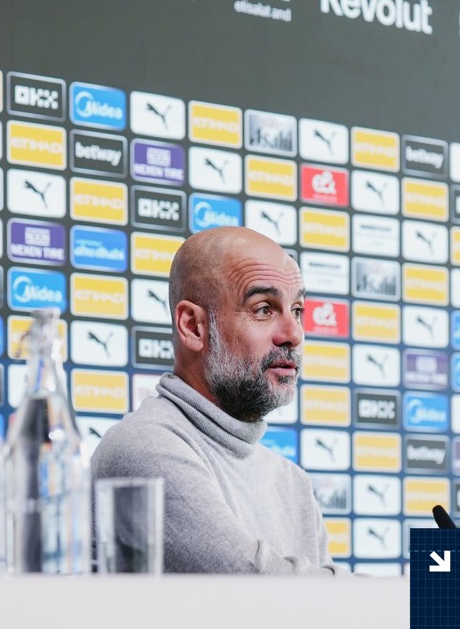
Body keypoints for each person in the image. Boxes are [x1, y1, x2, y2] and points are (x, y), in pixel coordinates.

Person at [91, 226, 346, 575]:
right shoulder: (143, 448)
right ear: (193, 326)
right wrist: (434, 590)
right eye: (263, 309)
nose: (294, 334)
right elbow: (258, 590)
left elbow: (337, 613)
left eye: (297, 309)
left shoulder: (292, 482)